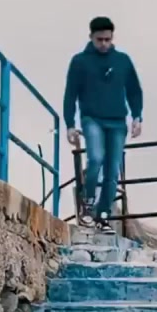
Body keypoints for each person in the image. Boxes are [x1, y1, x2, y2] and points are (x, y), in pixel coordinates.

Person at [63, 16, 144, 231]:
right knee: (96, 158)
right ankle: (88, 200)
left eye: (108, 39)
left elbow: (134, 90)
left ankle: (103, 216)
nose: (104, 44)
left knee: (112, 171)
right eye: (100, 40)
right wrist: (70, 124)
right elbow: (70, 94)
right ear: (91, 37)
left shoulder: (122, 61)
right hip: (92, 119)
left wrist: (137, 117)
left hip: (117, 122)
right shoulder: (80, 62)